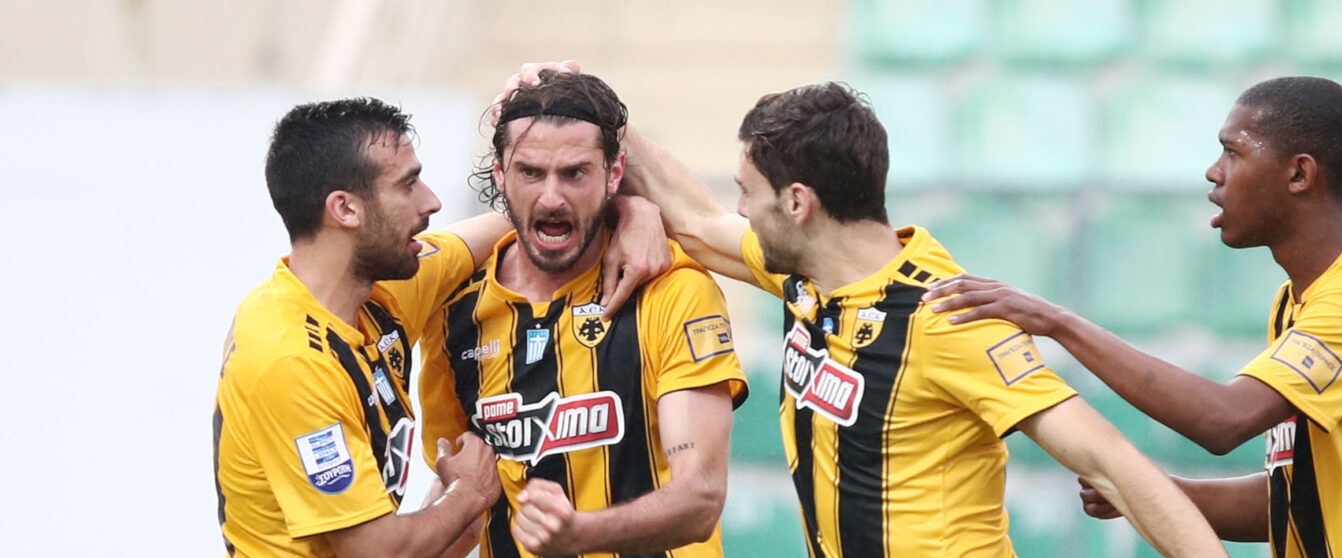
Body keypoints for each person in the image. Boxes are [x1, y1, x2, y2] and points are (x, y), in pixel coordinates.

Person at [606, 75, 1225, 556]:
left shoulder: (947, 316)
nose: (740, 209)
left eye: (747, 192)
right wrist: (596, 112)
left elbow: (1113, 465)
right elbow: (694, 220)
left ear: (797, 203)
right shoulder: (806, 274)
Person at [926, 76, 1342, 557]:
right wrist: (1155, 493)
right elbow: (1293, 497)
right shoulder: (1300, 300)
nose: (1214, 172)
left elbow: (1222, 420)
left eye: (1234, 152)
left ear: (1299, 174)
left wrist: (1057, 322)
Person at [214, 97, 669, 557]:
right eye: (407, 184)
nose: (431, 201)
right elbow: (377, 552)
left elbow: (524, 218)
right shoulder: (290, 359)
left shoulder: (382, 291)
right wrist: (469, 492)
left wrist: (632, 211)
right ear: (345, 210)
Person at [416, 71, 749, 558]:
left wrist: (582, 534)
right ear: (500, 175)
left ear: (614, 174)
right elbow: (466, 496)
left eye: (574, 173)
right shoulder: (454, 313)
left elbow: (699, 499)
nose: (552, 198)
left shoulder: (672, 290)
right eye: (530, 173)